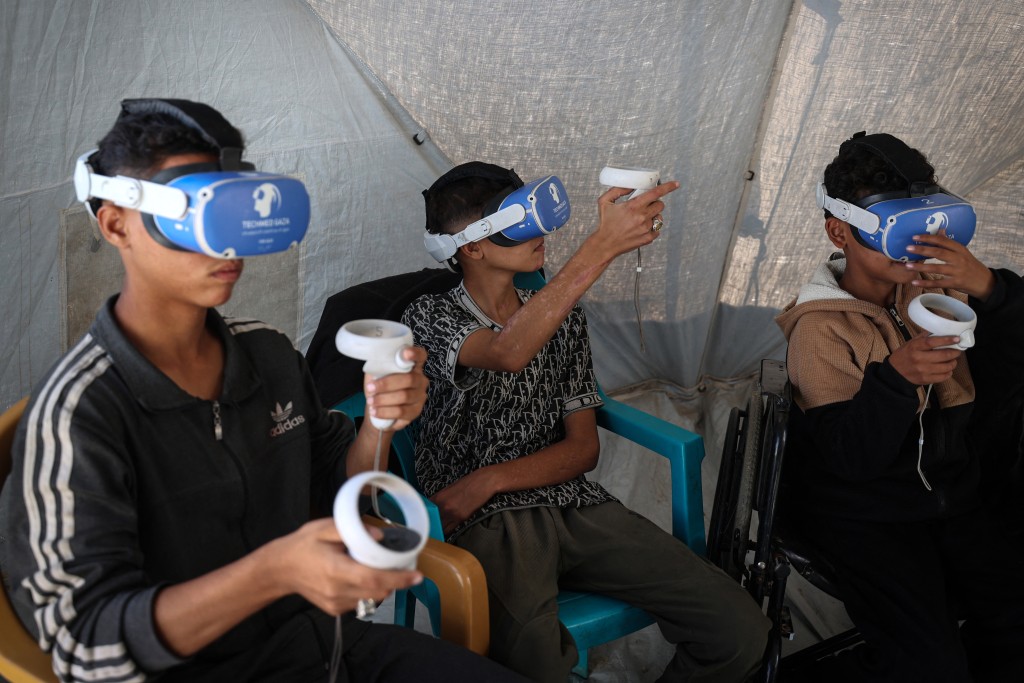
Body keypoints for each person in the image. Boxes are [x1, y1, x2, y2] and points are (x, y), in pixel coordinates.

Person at [0, 99, 527, 683]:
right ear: (117, 223)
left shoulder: (268, 355)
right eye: (196, 212)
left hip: (324, 649)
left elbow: (337, 486)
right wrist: (273, 572)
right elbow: (86, 646)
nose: (227, 245)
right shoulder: (78, 416)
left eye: (235, 209)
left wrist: (380, 420)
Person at [401, 161, 770, 682]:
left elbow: (583, 449)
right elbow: (507, 351)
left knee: (738, 628)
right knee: (533, 664)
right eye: (518, 221)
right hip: (486, 525)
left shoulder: (563, 315)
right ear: (472, 245)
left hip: (565, 502)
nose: (541, 233)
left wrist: (488, 479)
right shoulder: (428, 317)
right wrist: (600, 248)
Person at [775, 131, 1024, 682]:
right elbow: (850, 459)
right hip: (865, 520)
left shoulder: (937, 297)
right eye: (896, 232)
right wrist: (894, 381)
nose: (916, 250)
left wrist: (990, 288)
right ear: (839, 230)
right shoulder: (820, 331)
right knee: (929, 664)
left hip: (951, 502)